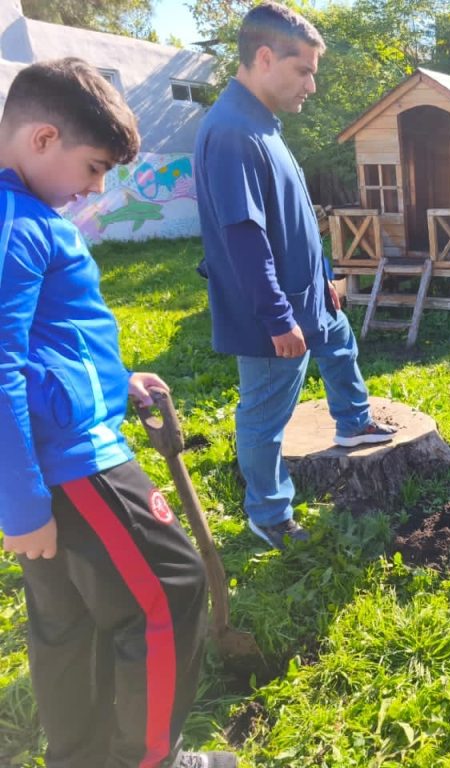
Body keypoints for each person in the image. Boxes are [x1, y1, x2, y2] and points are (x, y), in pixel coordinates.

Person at [0, 59, 235, 768]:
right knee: (171, 591)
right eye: (95, 167)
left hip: (51, 455)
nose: (97, 189)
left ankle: (80, 758)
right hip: (74, 462)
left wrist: (115, 378)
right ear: (43, 138)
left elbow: (45, 338)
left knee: (68, 619)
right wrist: (22, 506)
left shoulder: (22, 214)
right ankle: (149, 759)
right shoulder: (17, 225)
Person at [195, 3, 396, 550]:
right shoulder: (233, 132)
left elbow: (299, 216)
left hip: (310, 295)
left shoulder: (264, 125)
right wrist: (278, 318)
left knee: (341, 345)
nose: (312, 84)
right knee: (265, 416)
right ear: (264, 57)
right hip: (274, 314)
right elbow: (243, 237)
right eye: (303, 70)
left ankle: (352, 421)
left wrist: (325, 274)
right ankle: (268, 513)